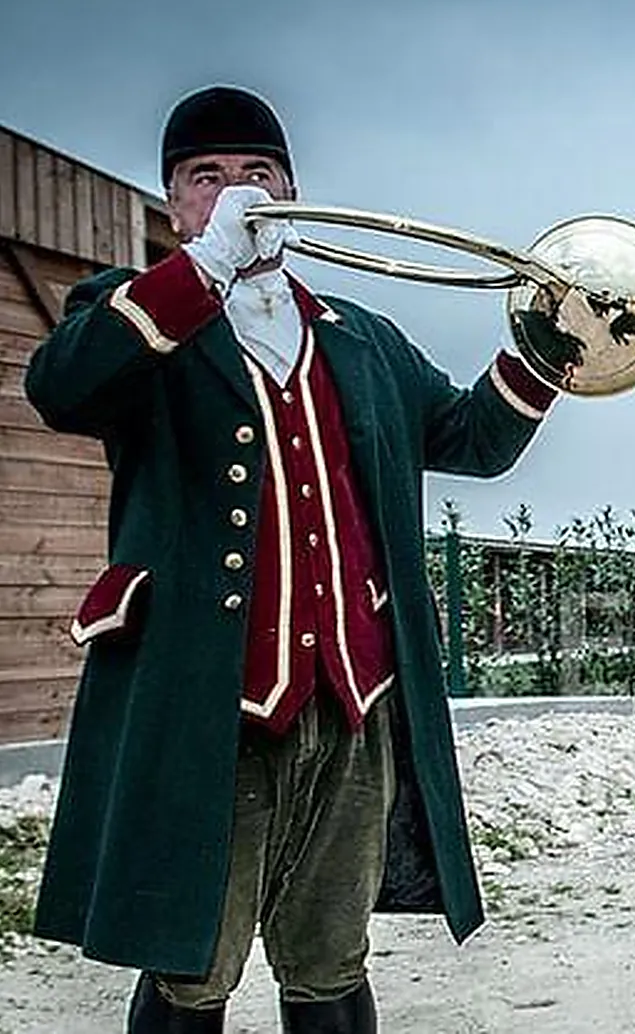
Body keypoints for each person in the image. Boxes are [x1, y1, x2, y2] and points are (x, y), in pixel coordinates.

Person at [25, 85, 561, 1033]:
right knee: (192, 969)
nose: (236, 195)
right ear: (176, 205)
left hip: (353, 703)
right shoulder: (133, 314)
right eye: (207, 179)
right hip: (208, 709)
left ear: (296, 191)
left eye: (257, 175)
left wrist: (550, 351)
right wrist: (203, 271)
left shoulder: (366, 340)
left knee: (330, 961)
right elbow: (62, 386)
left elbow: (471, 438)